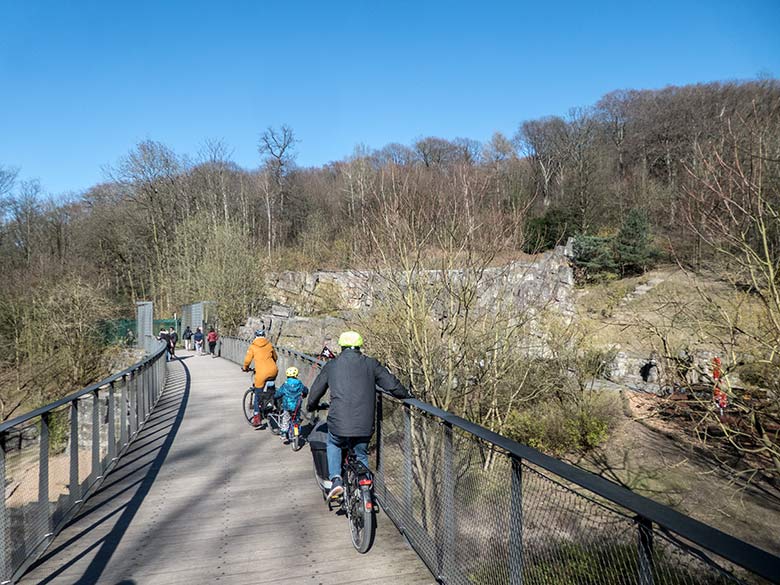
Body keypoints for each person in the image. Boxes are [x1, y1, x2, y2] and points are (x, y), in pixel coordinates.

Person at [307, 331, 410, 499]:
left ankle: (336, 479)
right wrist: (408, 396)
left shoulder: (331, 365)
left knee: (333, 442)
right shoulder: (371, 364)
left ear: (341, 346)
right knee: (360, 452)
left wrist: (311, 406)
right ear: (360, 346)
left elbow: (316, 391)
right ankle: (364, 487)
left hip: (338, 424)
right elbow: (392, 385)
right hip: (365, 424)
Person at [242, 329, 279, 426]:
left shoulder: (253, 347)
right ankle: (276, 409)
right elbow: (275, 357)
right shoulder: (269, 344)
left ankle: (257, 418)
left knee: (258, 395)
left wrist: (245, 368)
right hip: (273, 370)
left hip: (261, 373)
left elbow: (247, 360)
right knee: (271, 391)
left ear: (255, 336)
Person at [274, 367, 309, 441]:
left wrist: (275, 396)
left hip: (287, 406)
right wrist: (305, 393)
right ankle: (297, 428)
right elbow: (305, 390)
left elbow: (279, 393)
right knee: (296, 417)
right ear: (296, 375)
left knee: (286, 419)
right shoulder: (299, 384)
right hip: (297, 406)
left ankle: (283, 433)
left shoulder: (285, 384)